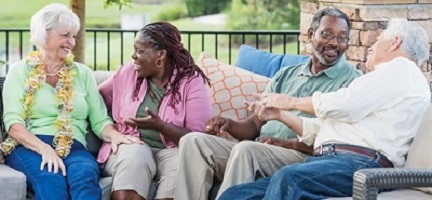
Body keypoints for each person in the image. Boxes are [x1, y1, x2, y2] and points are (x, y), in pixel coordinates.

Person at [220, 18, 431, 200]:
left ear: (395, 42)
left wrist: (291, 101)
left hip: (362, 165)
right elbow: (322, 129)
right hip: (333, 160)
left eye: (377, 39)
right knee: (237, 195)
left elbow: (345, 105)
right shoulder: (382, 84)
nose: (370, 46)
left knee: (290, 178)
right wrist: (280, 114)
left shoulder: (403, 69)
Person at [175, 8, 362, 200]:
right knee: (194, 141)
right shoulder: (287, 75)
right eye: (327, 34)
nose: (334, 43)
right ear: (310, 34)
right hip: (260, 149)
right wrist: (229, 124)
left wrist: (287, 144)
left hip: (302, 158)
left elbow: (337, 142)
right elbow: (255, 124)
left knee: (246, 149)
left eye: (342, 38)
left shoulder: (352, 82)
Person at [0, 3, 139, 200]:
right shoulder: (20, 71)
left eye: (74, 36)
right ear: (44, 34)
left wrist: (114, 135)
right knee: (50, 180)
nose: (71, 42)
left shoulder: (82, 73)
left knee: (85, 180)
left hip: (75, 148)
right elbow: (14, 125)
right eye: (65, 35)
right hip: (31, 146)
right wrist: (45, 149)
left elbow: (100, 120)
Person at [96, 22, 212, 200]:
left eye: (140, 51)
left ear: (161, 55)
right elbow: (97, 100)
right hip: (130, 144)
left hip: (171, 150)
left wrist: (161, 127)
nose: (133, 56)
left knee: (185, 163)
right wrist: (110, 130)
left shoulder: (191, 82)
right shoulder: (128, 73)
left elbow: (197, 139)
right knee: (136, 153)